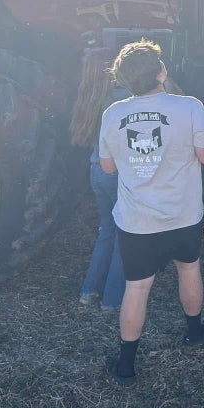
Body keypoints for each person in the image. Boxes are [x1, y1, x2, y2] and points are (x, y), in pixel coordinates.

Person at [98, 39, 204, 384]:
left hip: (137, 222)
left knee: (137, 289)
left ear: (125, 80)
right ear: (161, 72)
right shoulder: (189, 108)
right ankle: (195, 333)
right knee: (189, 269)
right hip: (183, 216)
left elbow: (108, 167)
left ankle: (126, 365)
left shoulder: (112, 115)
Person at [70, 48, 128, 311]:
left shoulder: (89, 98)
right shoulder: (121, 99)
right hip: (118, 175)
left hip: (97, 172)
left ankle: (89, 290)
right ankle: (113, 300)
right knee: (125, 236)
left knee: (107, 231)